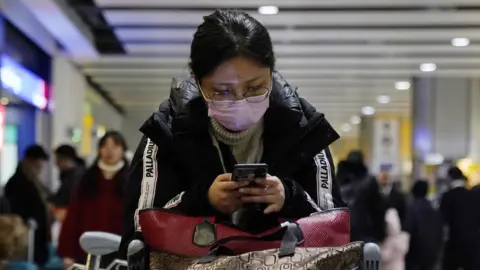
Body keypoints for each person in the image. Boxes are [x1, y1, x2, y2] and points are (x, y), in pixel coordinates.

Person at [120, 9, 345, 255]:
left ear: (272, 73)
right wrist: (203, 200)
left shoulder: (304, 130)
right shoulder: (166, 133)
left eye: (256, 87)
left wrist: (289, 198)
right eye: (222, 91)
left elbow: (335, 232)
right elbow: (138, 235)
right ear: (197, 81)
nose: (240, 100)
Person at [57, 131, 129, 268]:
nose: (109, 151)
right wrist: (67, 252)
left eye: (115, 146)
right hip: (87, 250)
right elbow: (73, 216)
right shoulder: (87, 179)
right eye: (105, 146)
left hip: (120, 252)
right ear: (99, 150)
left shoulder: (132, 180)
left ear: (123, 150)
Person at [4, 145, 50, 266]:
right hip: (25, 239)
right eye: (37, 165)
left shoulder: (34, 182)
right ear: (28, 162)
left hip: (37, 238)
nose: (39, 169)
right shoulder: (16, 183)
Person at [441, 166, 478, 270]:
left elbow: (444, 222)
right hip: (473, 243)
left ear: (450, 178)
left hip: (454, 243)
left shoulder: (447, 196)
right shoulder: (473, 196)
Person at [405, 180, 443, 270]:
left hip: (414, 254)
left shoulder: (411, 209)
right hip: (430, 254)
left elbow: (408, 229)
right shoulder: (433, 210)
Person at [49, 145, 85, 221]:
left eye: (58, 159)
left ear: (66, 159)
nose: (56, 163)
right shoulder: (69, 175)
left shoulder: (76, 178)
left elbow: (68, 199)